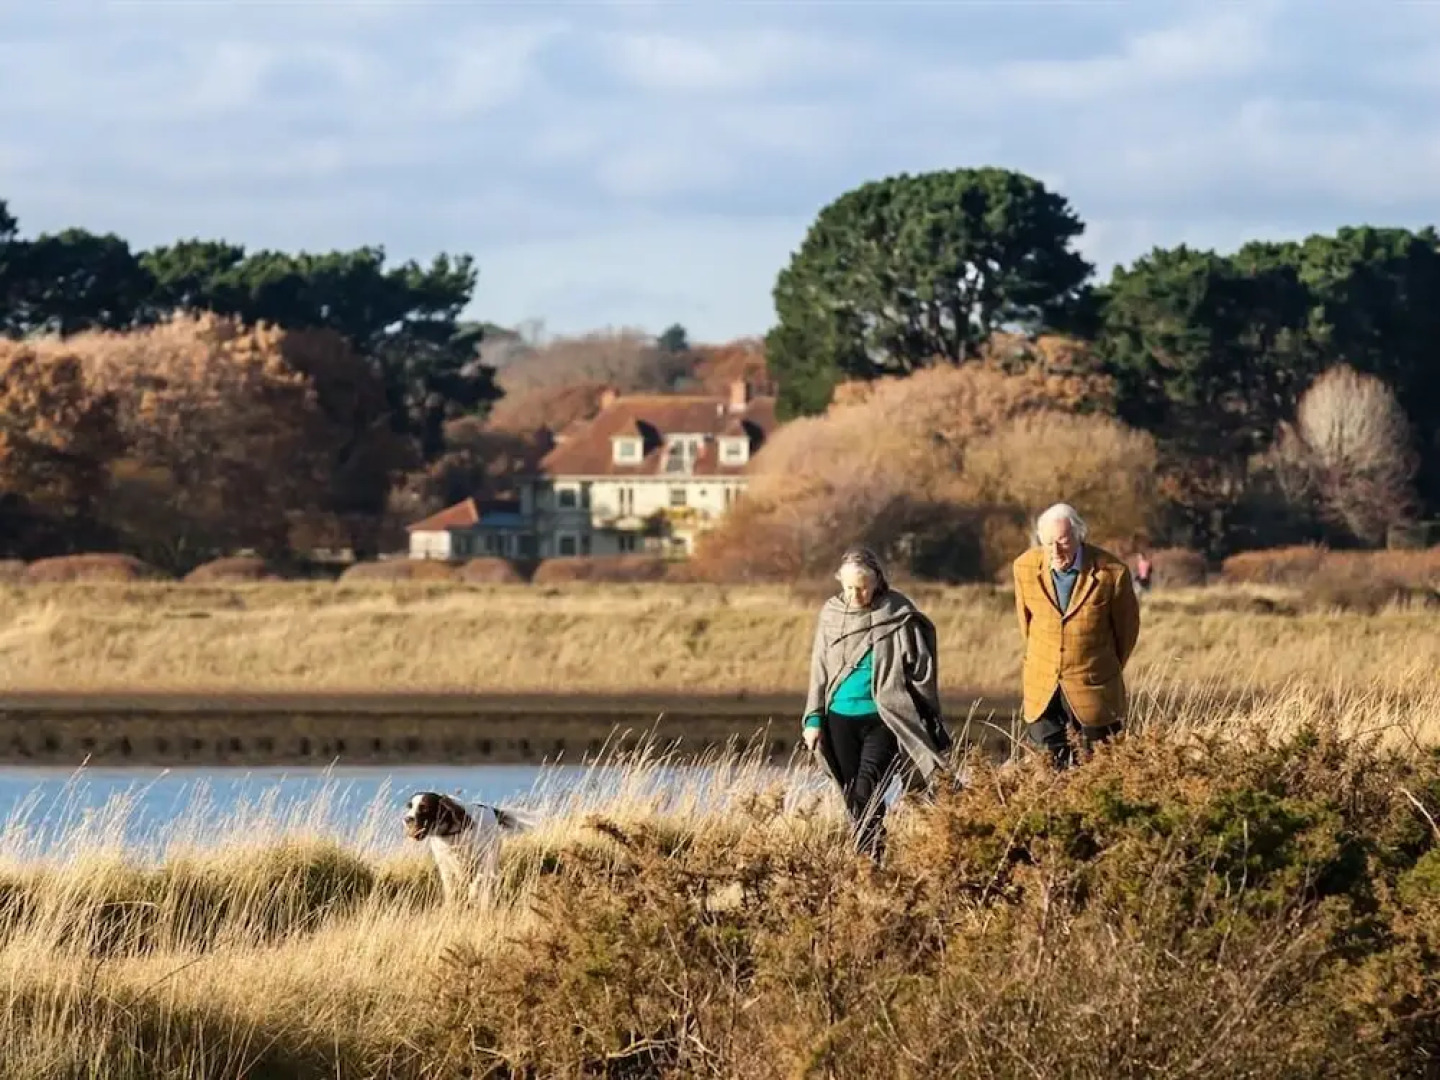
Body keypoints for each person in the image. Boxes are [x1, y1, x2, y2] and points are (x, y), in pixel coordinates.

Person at [801, 546, 953, 861]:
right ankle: (873, 859)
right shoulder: (830, 613)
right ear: (839, 582)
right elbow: (819, 668)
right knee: (852, 792)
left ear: (878, 580)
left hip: (884, 718)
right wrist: (813, 719)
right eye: (849, 587)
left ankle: (867, 859)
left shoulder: (898, 612)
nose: (856, 595)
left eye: (863, 587)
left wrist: (925, 714)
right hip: (839, 717)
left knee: (867, 788)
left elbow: (922, 667)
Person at [1012, 503, 1141, 769]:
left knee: (1097, 773)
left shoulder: (1112, 573)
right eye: (1048, 543)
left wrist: (1100, 667)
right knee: (1046, 772)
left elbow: (1126, 633)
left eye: (1062, 541)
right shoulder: (1023, 568)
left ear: (1080, 535)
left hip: (1094, 691)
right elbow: (1026, 625)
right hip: (1042, 690)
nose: (1056, 551)